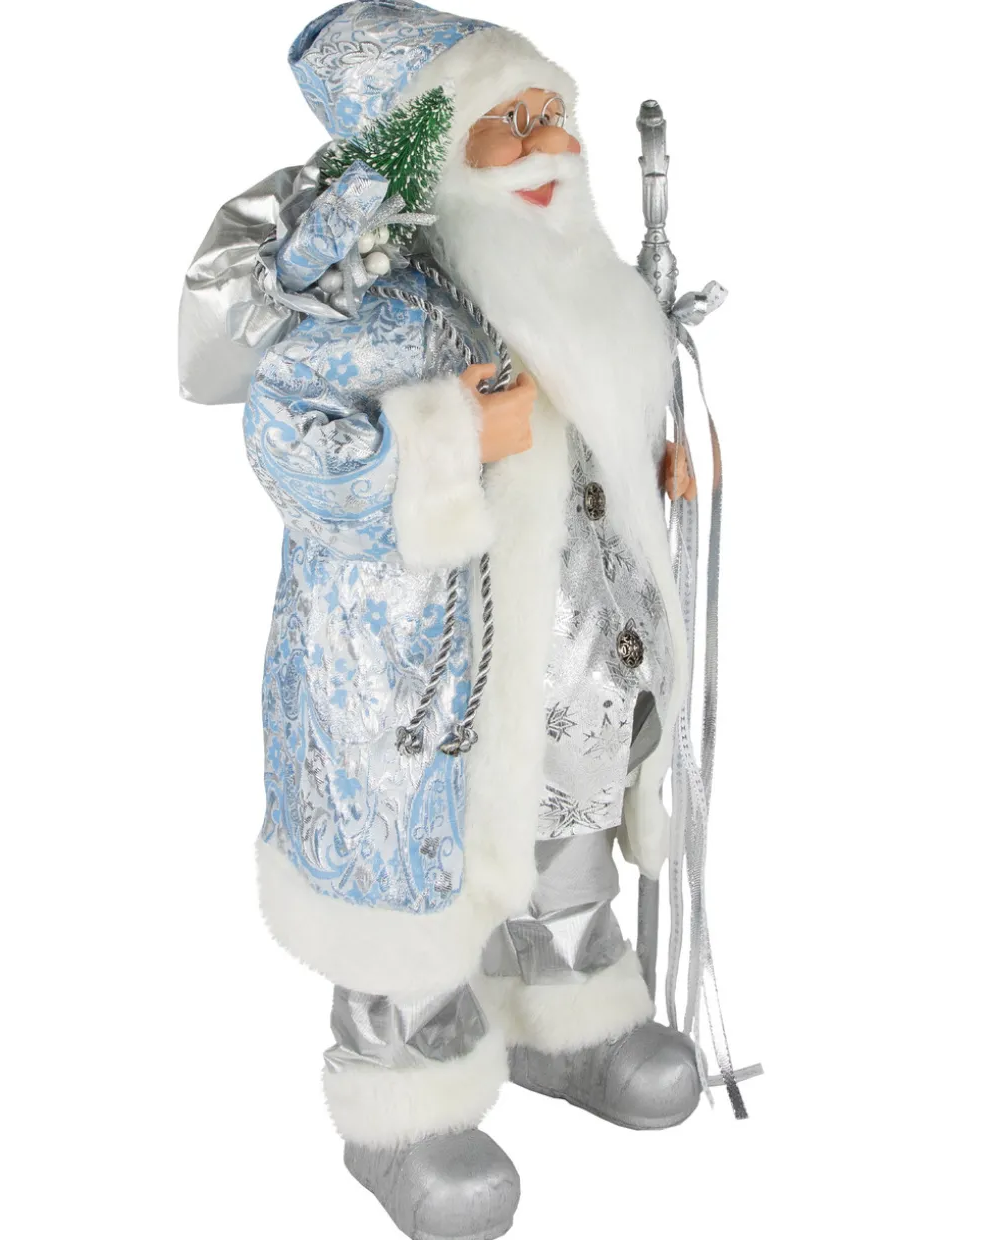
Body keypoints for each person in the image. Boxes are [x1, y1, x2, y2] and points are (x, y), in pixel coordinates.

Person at [244, 4, 700, 1236]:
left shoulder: (580, 284)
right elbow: (290, 439)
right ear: (439, 152)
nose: (545, 142)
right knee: (416, 881)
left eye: (553, 114)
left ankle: (568, 1016)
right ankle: (409, 1099)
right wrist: (445, 432)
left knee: (566, 829)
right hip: (421, 670)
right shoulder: (376, 301)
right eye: (508, 121)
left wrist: (654, 456)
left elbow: (616, 400)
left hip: (567, 645)